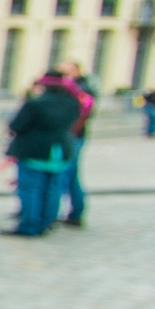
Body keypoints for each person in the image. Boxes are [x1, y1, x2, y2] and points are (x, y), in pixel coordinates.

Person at [3, 74, 80, 238]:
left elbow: (17, 125)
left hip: (35, 149)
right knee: (52, 188)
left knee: (30, 188)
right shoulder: (72, 102)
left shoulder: (35, 104)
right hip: (61, 149)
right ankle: (46, 222)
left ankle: (30, 225)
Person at [54, 62, 95, 226]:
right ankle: (75, 212)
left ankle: (68, 212)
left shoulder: (81, 89)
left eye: (66, 72)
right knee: (70, 175)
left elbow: (83, 114)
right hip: (71, 135)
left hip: (73, 136)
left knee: (67, 173)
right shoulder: (75, 88)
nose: (63, 76)